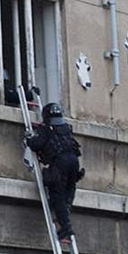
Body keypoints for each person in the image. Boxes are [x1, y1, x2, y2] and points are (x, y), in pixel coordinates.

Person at [26, 103, 84, 240]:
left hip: (60, 163)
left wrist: (29, 139)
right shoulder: (66, 128)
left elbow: (36, 144)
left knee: (57, 195)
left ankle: (66, 227)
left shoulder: (46, 128)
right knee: (69, 190)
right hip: (74, 161)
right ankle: (66, 212)